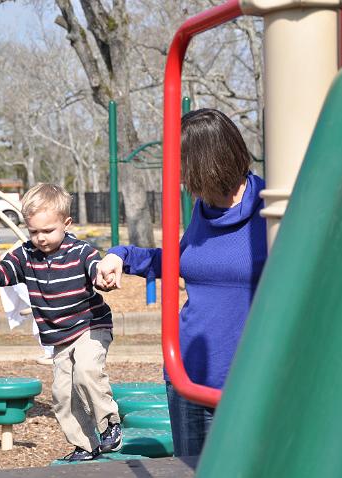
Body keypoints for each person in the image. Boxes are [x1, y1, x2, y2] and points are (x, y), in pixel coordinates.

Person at [96, 108, 267, 457]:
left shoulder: (271, 210)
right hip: (187, 374)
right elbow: (181, 261)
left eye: (181, 163)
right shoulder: (202, 210)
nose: (176, 176)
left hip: (252, 381)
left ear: (206, 161)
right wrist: (122, 256)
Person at [0, 183, 121, 462]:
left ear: (66, 223)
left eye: (48, 231)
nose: (40, 238)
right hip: (59, 338)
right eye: (34, 231)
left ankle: (110, 423)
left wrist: (104, 278)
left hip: (90, 325)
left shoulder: (81, 251)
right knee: (63, 396)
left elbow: (95, 270)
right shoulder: (26, 255)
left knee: (87, 371)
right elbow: (3, 275)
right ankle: (86, 445)